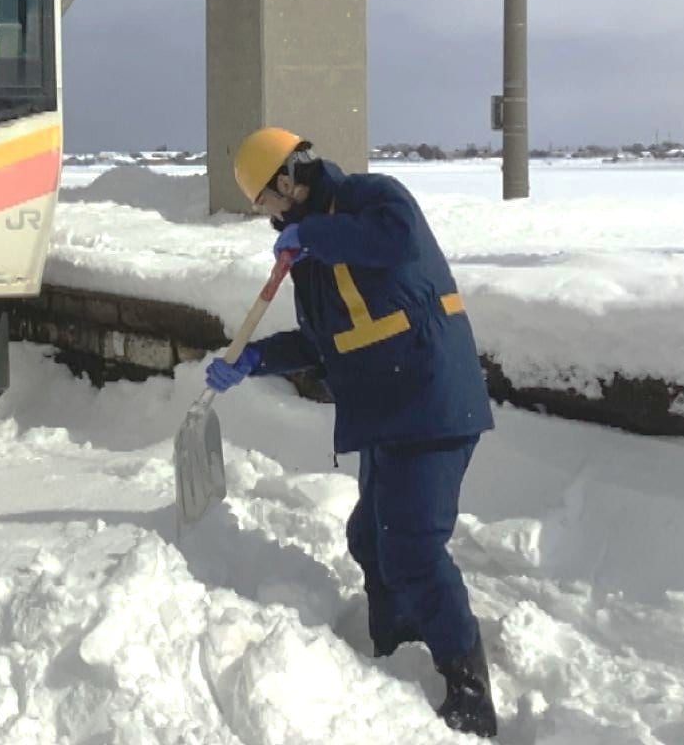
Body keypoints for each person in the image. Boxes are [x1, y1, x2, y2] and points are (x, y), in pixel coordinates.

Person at [205, 127, 500, 738]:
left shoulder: (370, 199)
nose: (265, 213)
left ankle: (469, 689)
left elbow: (392, 242)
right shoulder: (311, 258)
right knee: (370, 537)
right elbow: (321, 339)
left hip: (431, 398)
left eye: (265, 199)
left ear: (289, 180)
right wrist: (255, 358)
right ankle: (395, 642)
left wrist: (311, 236)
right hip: (386, 411)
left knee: (413, 548)